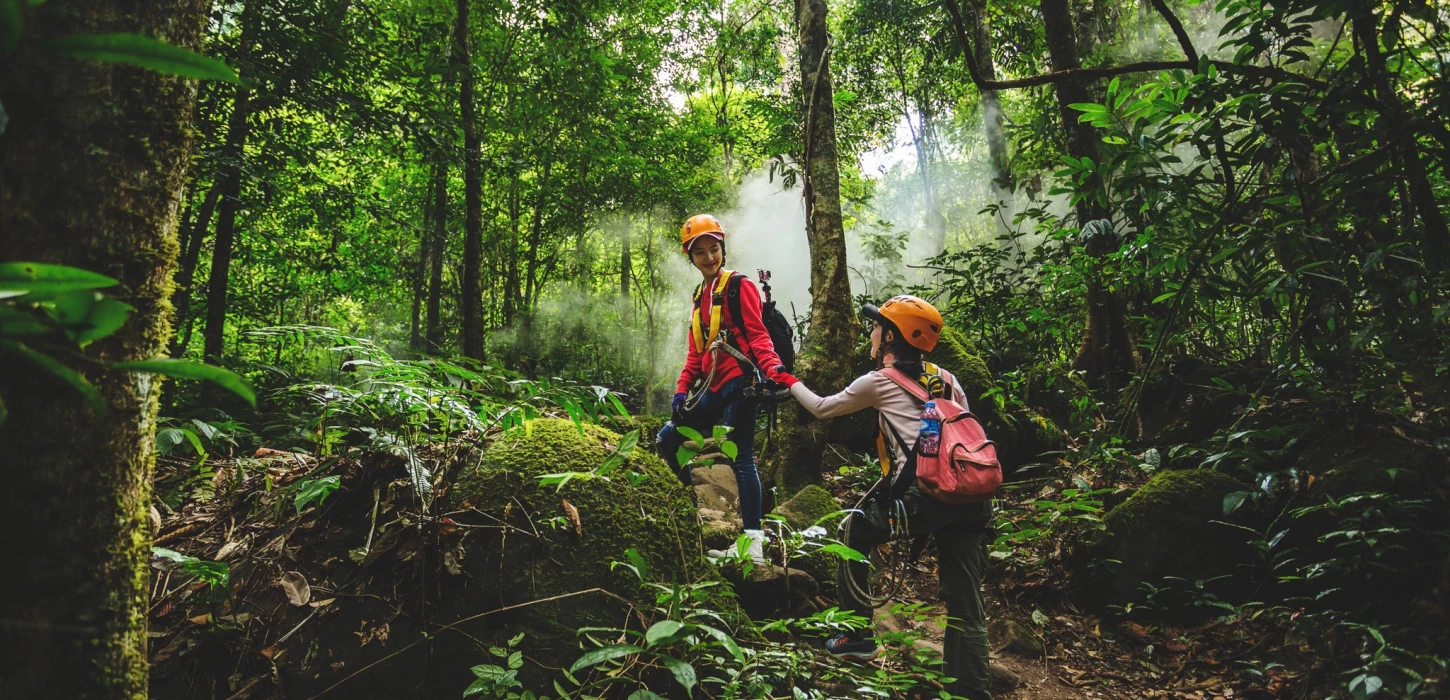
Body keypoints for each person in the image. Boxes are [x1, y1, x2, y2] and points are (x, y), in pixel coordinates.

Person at [779, 295, 993, 700]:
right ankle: (971, 691)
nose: (872, 333)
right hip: (969, 495)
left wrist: (789, 381)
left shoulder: (880, 381)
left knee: (853, 529)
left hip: (927, 497)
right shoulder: (949, 378)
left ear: (891, 335)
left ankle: (857, 635)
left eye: (877, 327)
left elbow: (823, 408)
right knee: (967, 599)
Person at [657, 214, 795, 563]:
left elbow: (758, 334)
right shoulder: (699, 296)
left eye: (714, 249)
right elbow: (695, 354)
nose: (709, 258)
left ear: (723, 249)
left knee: (741, 456)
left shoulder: (739, 286)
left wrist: (773, 369)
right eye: (700, 252)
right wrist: (681, 391)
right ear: (690, 257)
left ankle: (754, 544)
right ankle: (689, 517)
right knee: (667, 440)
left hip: (740, 383)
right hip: (710, 388)